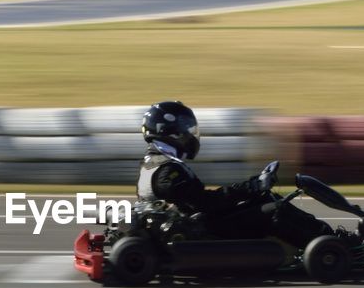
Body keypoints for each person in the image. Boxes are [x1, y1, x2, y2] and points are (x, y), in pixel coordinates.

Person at [137, 100, 341, 248]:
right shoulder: (167, 172)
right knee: (274, 209)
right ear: (173, 132)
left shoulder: (152, 165)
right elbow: (207, 203)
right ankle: (330, 245)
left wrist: (252, 190)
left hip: (197, 224)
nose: (191, 135)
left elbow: (200, 203)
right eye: (187, 129)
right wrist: (252, 186)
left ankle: (324, 240)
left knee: (264, 199)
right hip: (201, 232)